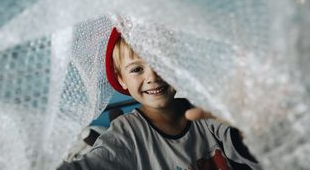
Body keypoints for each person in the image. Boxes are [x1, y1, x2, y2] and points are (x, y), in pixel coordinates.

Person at [58, 28, 261, 170]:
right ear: (121, 79)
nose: (153, 77)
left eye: (161, 64)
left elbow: (251, 148)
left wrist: (246, 127)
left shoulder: (204, 109)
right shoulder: (127, 134)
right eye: (137, 69)